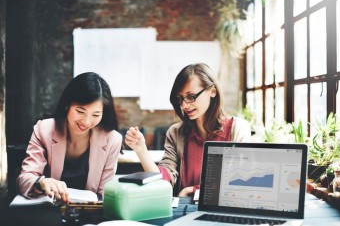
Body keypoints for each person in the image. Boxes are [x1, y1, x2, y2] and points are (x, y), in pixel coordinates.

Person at [125, 63, 251, 197]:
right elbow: (163, 181)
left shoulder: (237, 129)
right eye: (180, 98)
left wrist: (193, 190)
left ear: (212, 91)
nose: (184, 105)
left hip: (223, 211)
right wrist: (141, 151)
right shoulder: (176, 133)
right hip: (183, 210)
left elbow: (239, 181)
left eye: (191, 96)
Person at [17, 72, 122, 202]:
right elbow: (24, 178)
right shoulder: (44, 130)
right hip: (49, 213)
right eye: (80, 111)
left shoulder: (112, 139)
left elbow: (105, 194)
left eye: (95, 115)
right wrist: (41, 184)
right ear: (67, 104)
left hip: (88, 214)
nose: (86, 121)